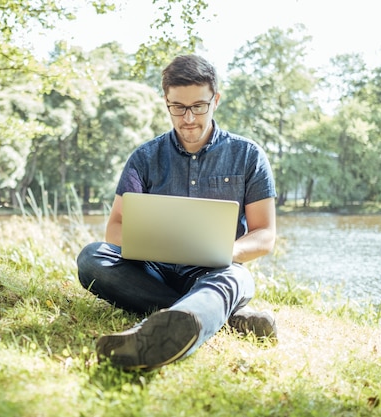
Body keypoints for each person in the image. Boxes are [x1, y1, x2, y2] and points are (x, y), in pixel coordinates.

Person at [76, 54, 278, 371]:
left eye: (199, 106)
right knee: (92, 258)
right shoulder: (144, 157)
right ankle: (222, 315)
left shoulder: (248, 155)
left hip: (216, 271)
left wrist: (230, 250)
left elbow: (265, 234)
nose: (188, 118)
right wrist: (151, 245)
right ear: (166, 102)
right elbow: (115, 228)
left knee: (233, 278)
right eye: (177, 107)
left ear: (216, 100)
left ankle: (176, 322)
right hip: (154, 270)